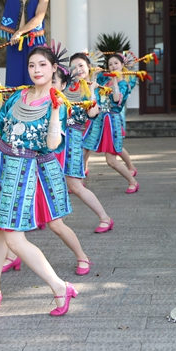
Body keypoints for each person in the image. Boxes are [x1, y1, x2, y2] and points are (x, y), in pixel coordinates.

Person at [0, 46, 79, 316]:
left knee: (14, 240)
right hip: (2, 166)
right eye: (32, 65)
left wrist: (54, 110)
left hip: (26, 173)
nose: (36, 70)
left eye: (42, 65)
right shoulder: (17, 96)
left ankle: (60, 286)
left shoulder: (60, 103)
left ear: (54, 69)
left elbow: (53, 144)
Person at [63, 52, 115, 235]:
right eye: (73, 66)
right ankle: (41, 217)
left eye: (81, 66)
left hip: (72, 139)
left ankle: (105, 218)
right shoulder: (63, 85)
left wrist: (92, 91)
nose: (77, 70)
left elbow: (92, 114)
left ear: (88, 69)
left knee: (75, 186)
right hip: (54, 139)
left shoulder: (94, 90)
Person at [83, 54, 139, 193]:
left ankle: (132, 181)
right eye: (110, 64)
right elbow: (93, 90)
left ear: (122, 65)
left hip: (112, 121)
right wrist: (94, 75)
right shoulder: (105, 79)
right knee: (83, 149)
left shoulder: (123, 83)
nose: (113, 66)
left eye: (116, 63)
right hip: (99, 119)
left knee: (111, 160)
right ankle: (78, 182)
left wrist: (114, 80)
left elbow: (115, 99)